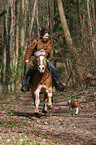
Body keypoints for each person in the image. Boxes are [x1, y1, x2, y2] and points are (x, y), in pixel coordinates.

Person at [21, 28, 65, 92]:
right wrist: (27, 59)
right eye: (46, 36)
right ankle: (26, 85)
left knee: (53, 68)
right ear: (42, 35)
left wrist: (44, 51)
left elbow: (49, 49)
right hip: (37, 59)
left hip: (46, 59)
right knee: (30, 70)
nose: (47, 38)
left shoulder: (49, 42)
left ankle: (58, 84)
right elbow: (30, 50)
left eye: (47, 36)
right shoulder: (36, 41)